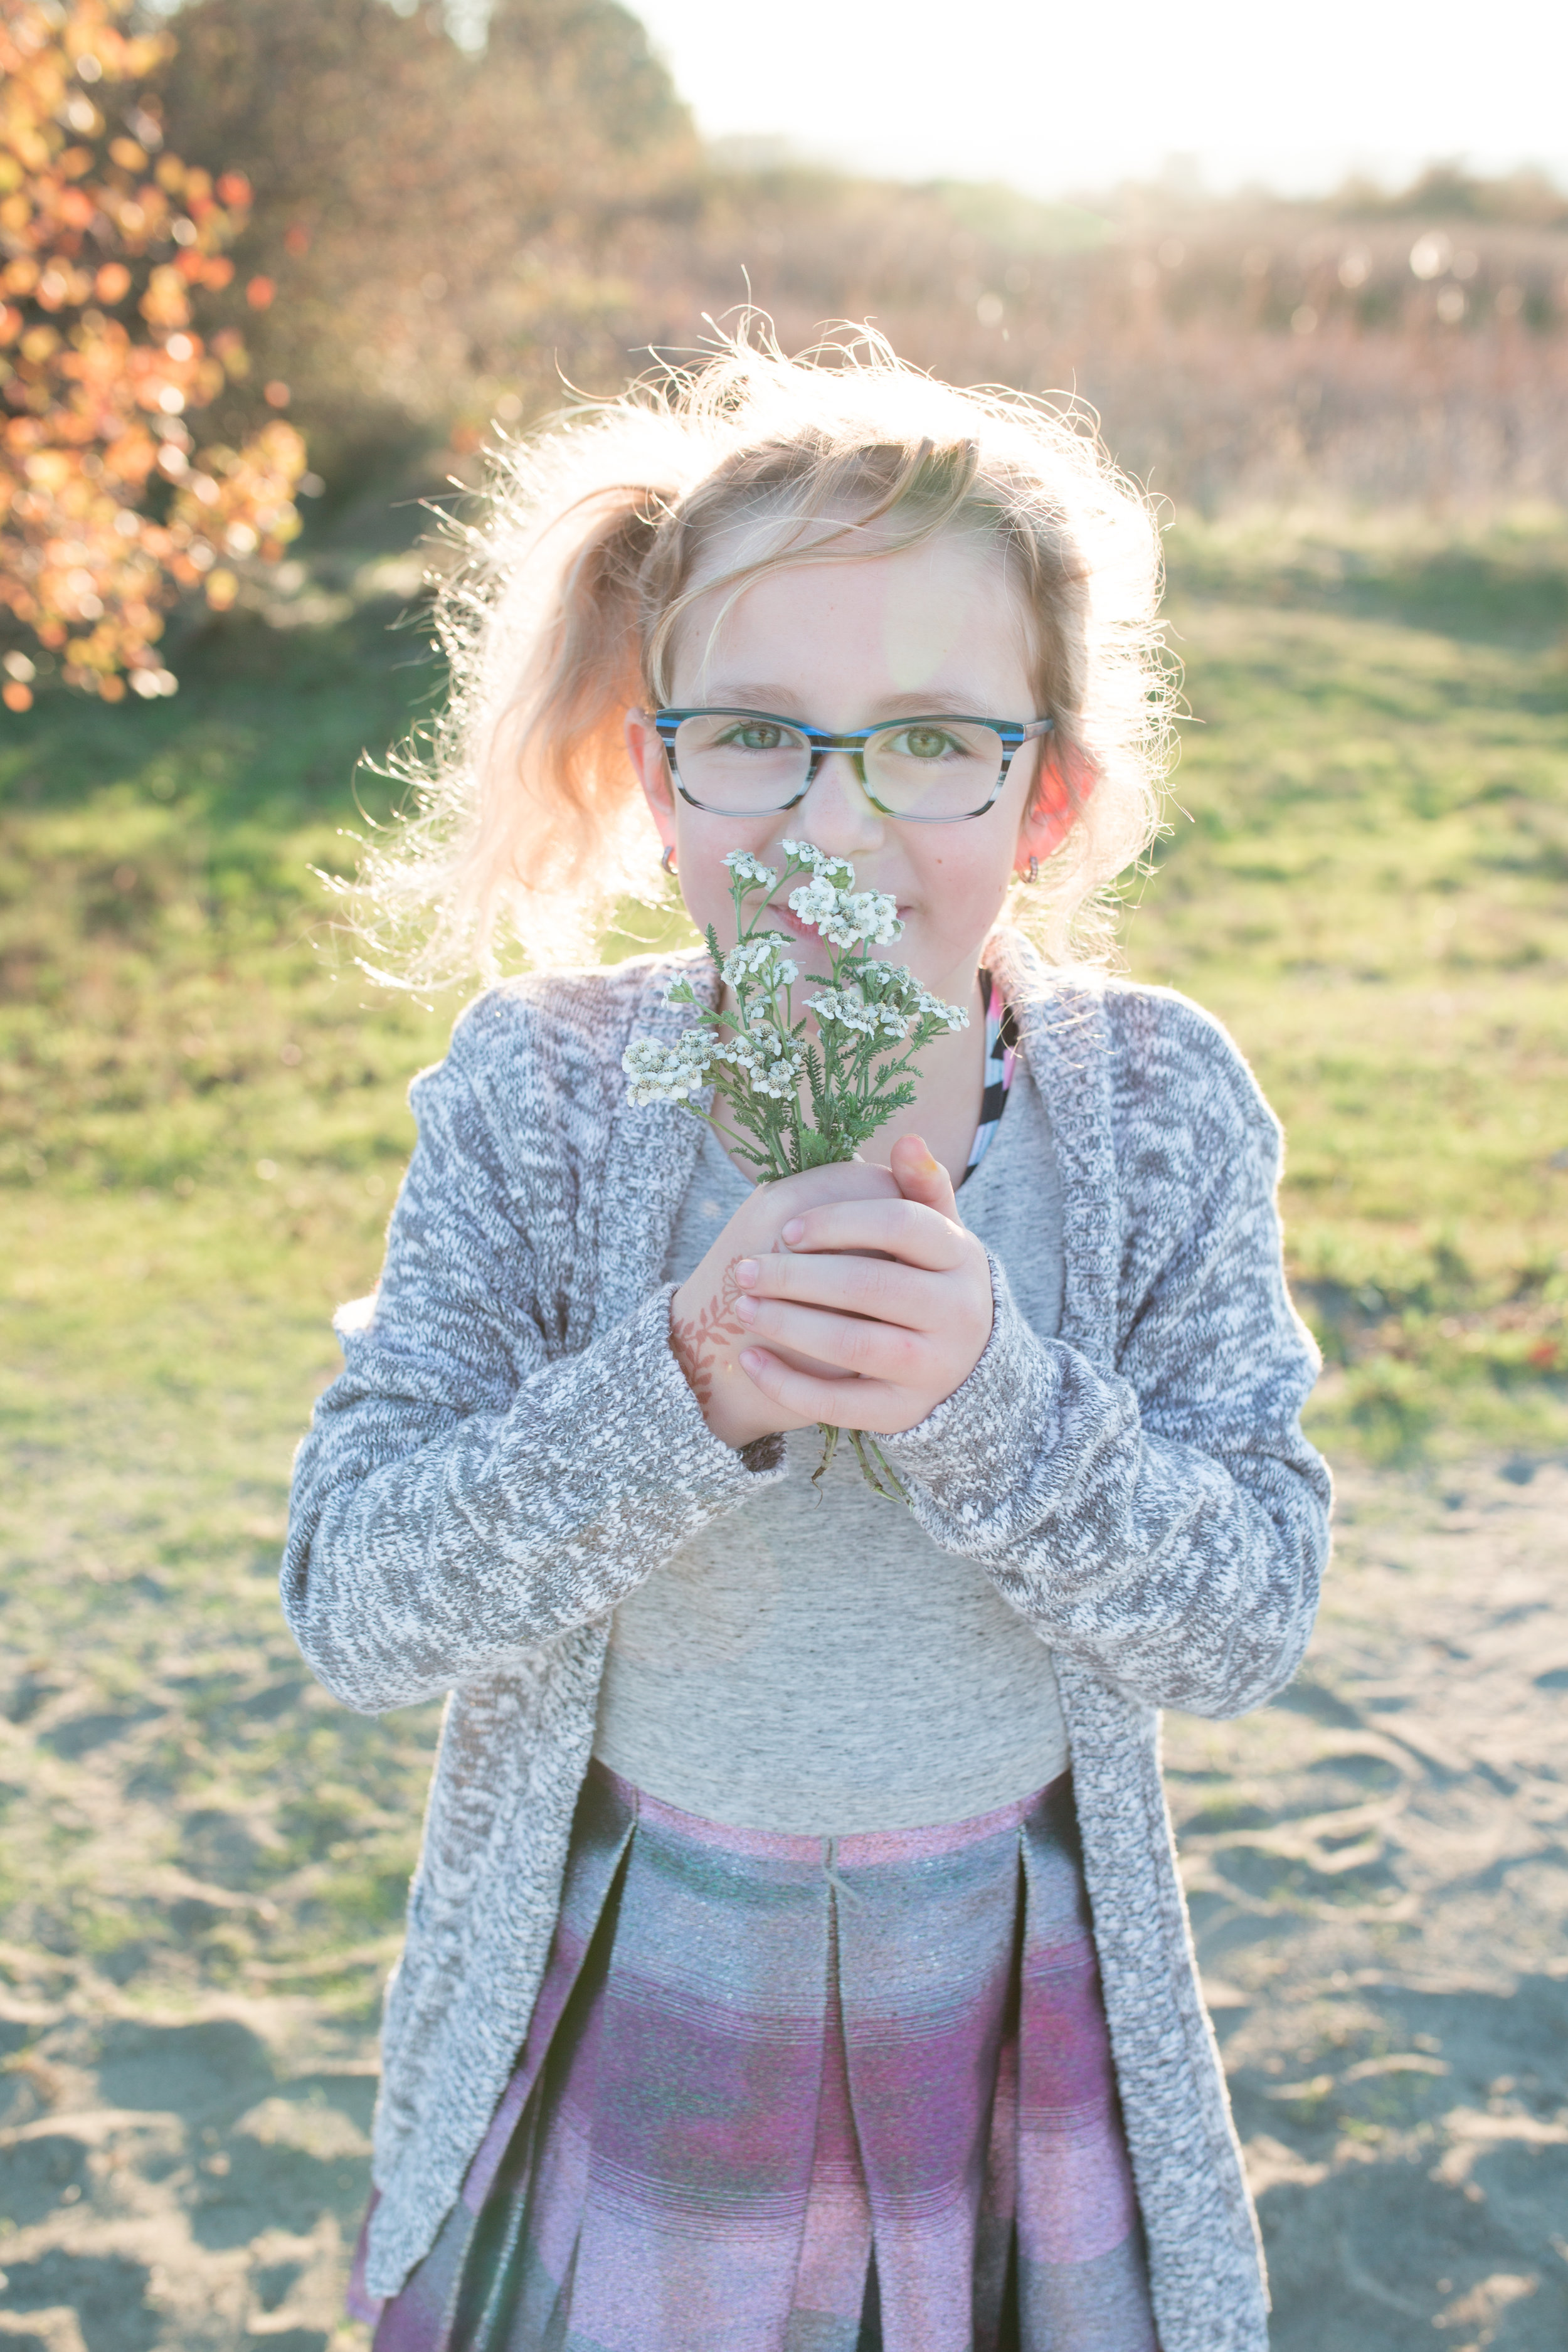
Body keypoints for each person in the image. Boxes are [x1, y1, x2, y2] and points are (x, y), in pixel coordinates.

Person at [283, 326, 1331, 2352]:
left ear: (1050, 797)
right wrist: (675, 1387)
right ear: (647, 772)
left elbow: (1242, 1619)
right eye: (754, 733)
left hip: (1004, 1982)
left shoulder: (1161, 1106)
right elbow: (359, 1604)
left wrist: (998, 1404)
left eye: (935, 740)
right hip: (638, 1979)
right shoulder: (541, 1093)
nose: (833, 826)